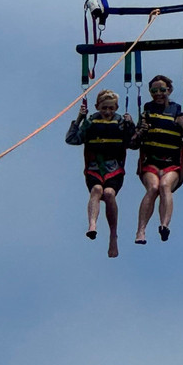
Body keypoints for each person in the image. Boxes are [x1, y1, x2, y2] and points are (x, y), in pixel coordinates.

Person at [65, 89, 135, 257]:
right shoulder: (90, 123)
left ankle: (113, 235)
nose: (107, 112)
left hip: (114, 169)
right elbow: (72, 139)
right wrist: (80, 118)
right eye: (104, 108)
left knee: (109, 193)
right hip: (94, 168)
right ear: (97, 107)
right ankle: (92, 225)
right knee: (96, 190)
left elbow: (132, 143)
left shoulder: (120, 123)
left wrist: (131, 124)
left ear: (116, 107)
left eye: (111, 108)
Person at [131, 74, 183, 243]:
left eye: (162, 90)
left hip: (171, 164)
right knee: (153, 188)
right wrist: (139, 131)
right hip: (150, 162)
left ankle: (164, 225)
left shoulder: (179, 112)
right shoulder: (146, 112)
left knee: (165, 186)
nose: (158, 93)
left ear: (169, 90)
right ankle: (140, 231)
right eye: (154, 90)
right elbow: (134, 143)